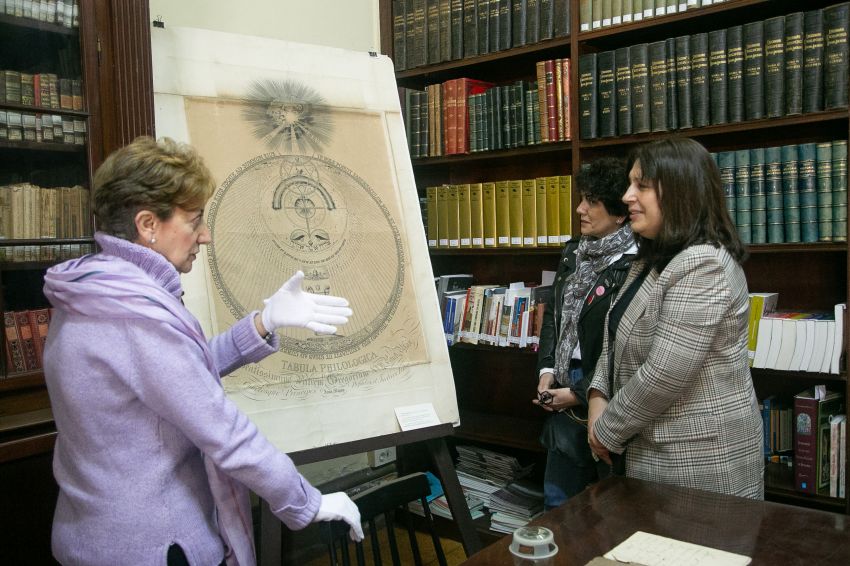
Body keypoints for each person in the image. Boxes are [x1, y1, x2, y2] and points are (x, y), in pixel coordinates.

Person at [42, 136, 365, 566]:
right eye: (194, 220)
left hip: (93, 533)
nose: (205, 236)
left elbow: (170, 383)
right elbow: (224, 431)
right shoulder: (136, 316)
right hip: (156, 543)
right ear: (148, 225)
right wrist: (306, 503)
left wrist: (262, 323)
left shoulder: (92, 290)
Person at [587, 137, 764, 499]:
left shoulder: (704, 264)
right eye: (630, 183)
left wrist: (606, 430)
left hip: (696, 463)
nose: (626, 196)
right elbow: (613, 337)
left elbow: (664, 373)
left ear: (681, 193)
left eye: (642, 186)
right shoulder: (647, 261)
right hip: (644, 454)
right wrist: (596, 396)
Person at [534, 157, 636, 509]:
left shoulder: (636, 262)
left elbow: (625, 344)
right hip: (563, 382)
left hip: (607, 392)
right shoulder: (573, 252)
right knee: (557, 506)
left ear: (620, 213)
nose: (580, 209)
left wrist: (579, 392)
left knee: (609, 511)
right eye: (582, 198)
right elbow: (554, 318)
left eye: (591, 202)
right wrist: (546, 370)